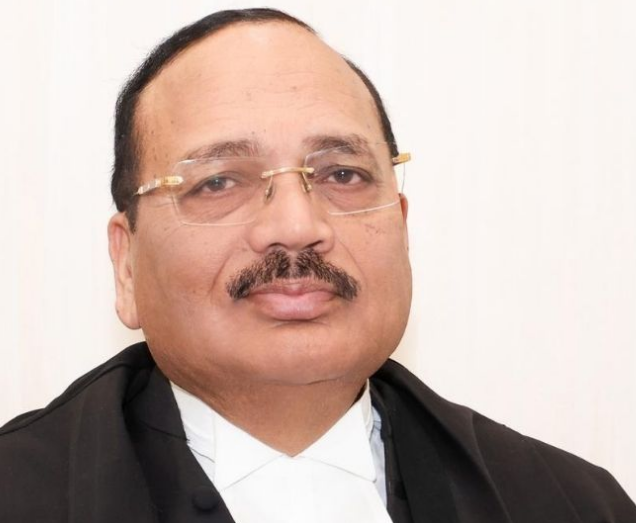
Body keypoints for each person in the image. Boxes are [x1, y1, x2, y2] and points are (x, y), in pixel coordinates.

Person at [1, 8, 634, 523]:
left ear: (403, 226)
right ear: (127, 264)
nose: (297, 226)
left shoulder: (572, 505)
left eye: (342, 175)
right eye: (219, 181)